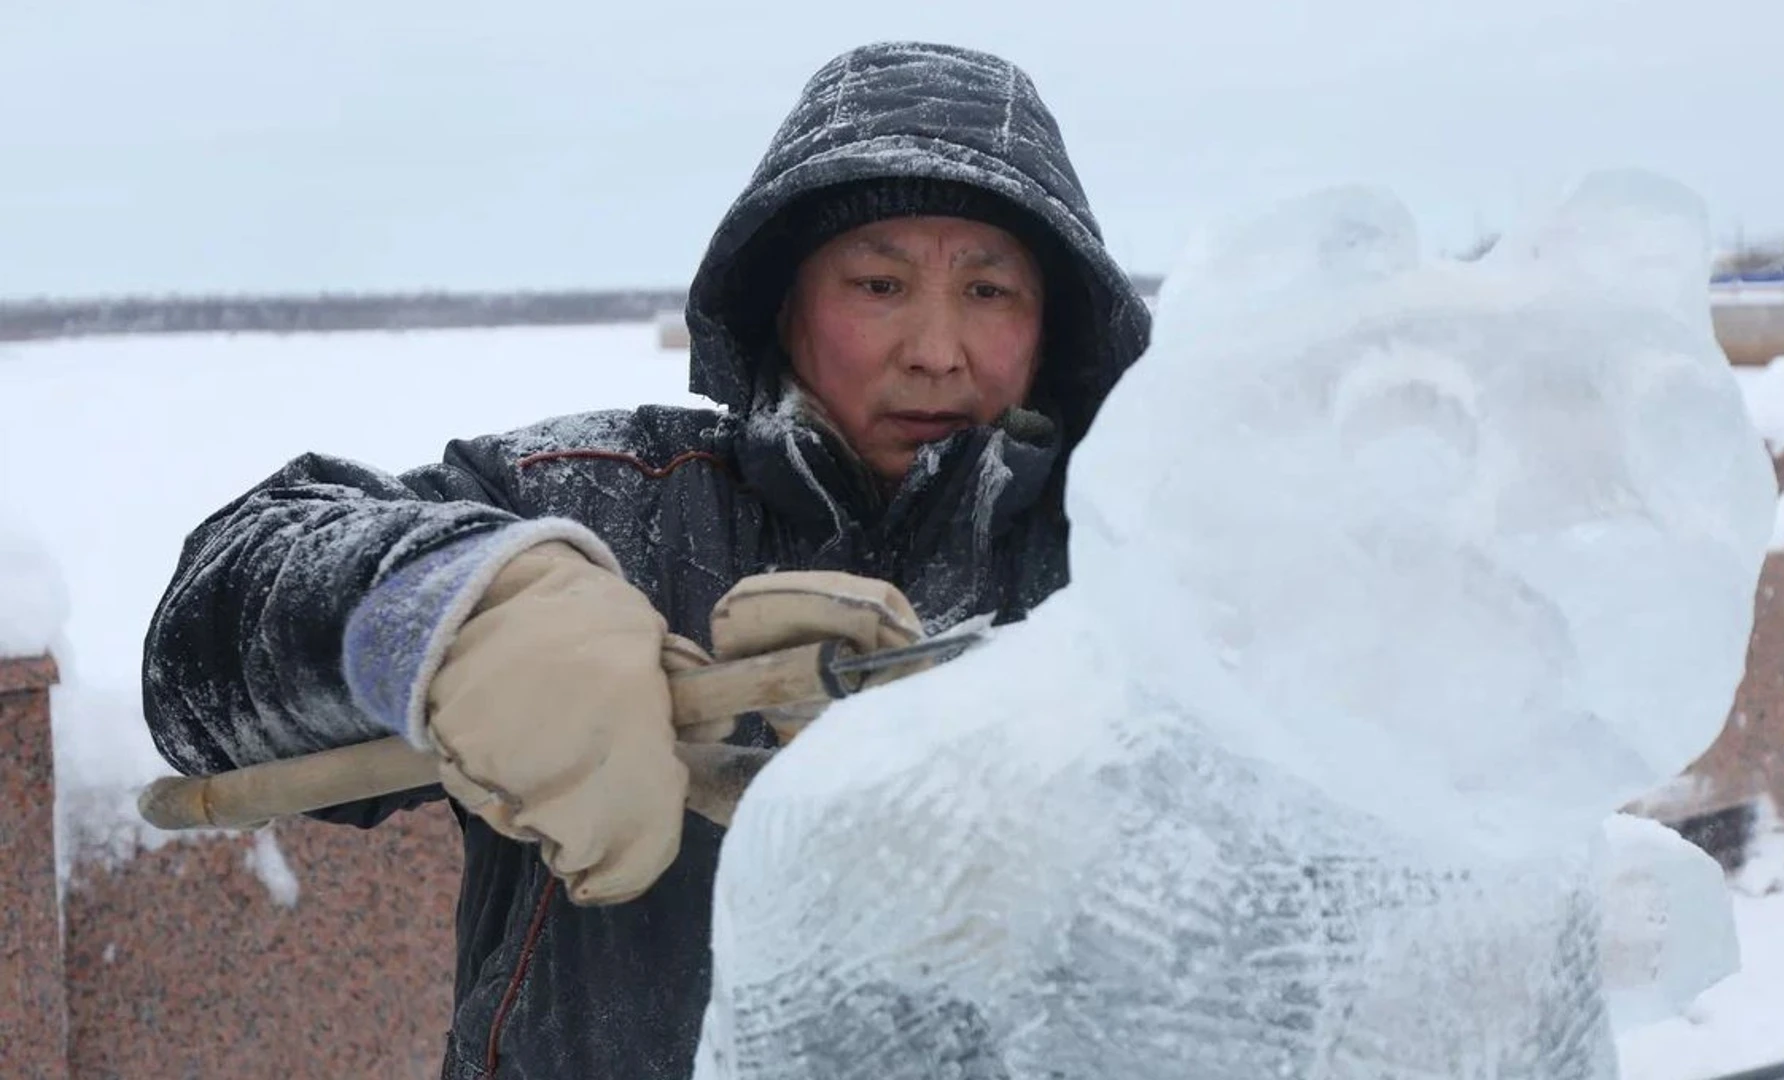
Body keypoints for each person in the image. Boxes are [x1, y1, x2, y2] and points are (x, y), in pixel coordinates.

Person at [142, 39, 1152, 1080]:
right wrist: (454, 616)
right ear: (783, 309)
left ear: (1052, 325)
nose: (937, 348)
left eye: (989, 293)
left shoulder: (1140, 558)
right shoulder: (598, 504)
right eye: (878, 282)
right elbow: (201, 661)